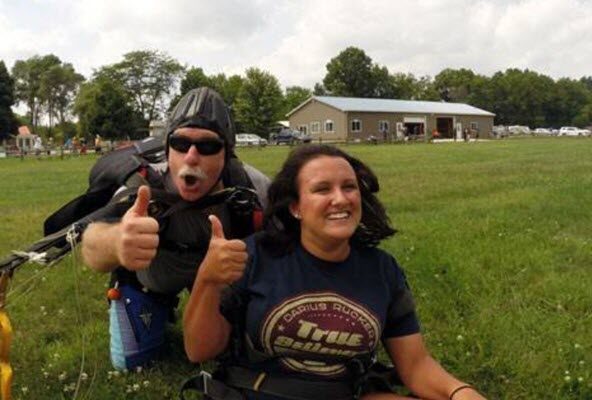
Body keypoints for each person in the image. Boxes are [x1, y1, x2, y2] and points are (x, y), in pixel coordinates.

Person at [183, 145, 487, 400]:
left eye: (349, 187)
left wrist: (458, 391)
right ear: (296, 208)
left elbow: (415, 364)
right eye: (322, 189)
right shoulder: (254, 256)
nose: (341, 199)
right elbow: (199, 350)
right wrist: (207, 280)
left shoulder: (382, 269)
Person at [81, 87, 270, 370]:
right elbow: (90, 245)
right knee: (129, 363)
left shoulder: (255, 189)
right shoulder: (142, 183)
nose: (191, 157)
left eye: (207, 147)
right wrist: (117, 241)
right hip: (150, 282)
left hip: (218, 285)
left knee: (230, 355)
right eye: (180, 144)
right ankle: (159, 307)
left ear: (227, 154)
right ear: (168, 148)